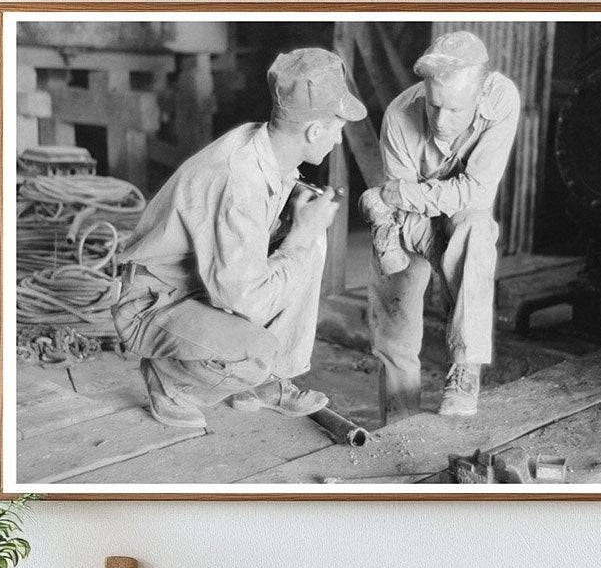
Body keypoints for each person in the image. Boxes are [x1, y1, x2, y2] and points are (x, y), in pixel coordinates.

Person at [112, 47, 366, 431]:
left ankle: (266, 384)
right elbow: (246, 300)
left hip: (196, 285)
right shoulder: (238, 179)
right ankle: (170, 381)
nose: (337, 137)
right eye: (338, 126)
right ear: (314, 130)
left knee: (312, 242)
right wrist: (298, 234)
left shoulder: (266, 146)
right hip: (153, 302)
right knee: (256, 351)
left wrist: (296, 219)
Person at [363, 30, 521, 421]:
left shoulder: (501, 99)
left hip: (451, 211)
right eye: (434, 106)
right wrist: (393, 206)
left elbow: (478, 193)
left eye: (454, 110)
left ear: (480, 94)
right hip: (409, 223)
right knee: (395, 323)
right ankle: (399, 423)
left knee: (476, 229)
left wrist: (400, 194)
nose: (440, 120)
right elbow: (398, 213)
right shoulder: (401, 115)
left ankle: (465, 369)